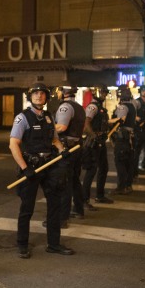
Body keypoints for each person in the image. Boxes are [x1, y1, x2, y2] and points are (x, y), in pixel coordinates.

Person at [9, 83, 74, 259]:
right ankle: (22, 244)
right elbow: (13, 144)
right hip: (31, 167)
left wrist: (62, 150)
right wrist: (25, 168)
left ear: (46, 97)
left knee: (54, 206)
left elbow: (54, 139)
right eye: (35, 94)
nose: (39, 96)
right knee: (26, 208)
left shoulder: (48, 117)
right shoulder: (22, 118)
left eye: (42, 94)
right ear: (30, 97)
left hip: (49, 165)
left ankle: (54, 244)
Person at [54, 83, 86, 218]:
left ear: (64, 92)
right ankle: (79, 209)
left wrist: (45, 129)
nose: (57, 93)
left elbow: (61, 127)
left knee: (64, 181)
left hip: (67, 148)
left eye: (59, 91)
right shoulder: (79, 107)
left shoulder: (65, 107)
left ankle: (62, 217)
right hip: (77, 147)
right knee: (74, 180)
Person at [82, 84, 114, 206]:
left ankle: (100, 195)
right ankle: (84, 199)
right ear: (96, 93)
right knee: (91, 170)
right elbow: (86, 124)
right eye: (103, 92)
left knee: (104, 168)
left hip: (100, 142)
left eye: (105, 93)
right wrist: (94, 136)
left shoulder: (100, 107)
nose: (104, 95)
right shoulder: (92, 107)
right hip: (93, 143)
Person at [109, 84, 136, 195]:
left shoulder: (122, 106)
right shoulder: (132, 106)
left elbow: (121, 120)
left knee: (120, 162)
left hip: (123, 138)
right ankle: (128, 186)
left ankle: (121, 187)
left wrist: (108, 121)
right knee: (129, 163)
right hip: (130, 138)